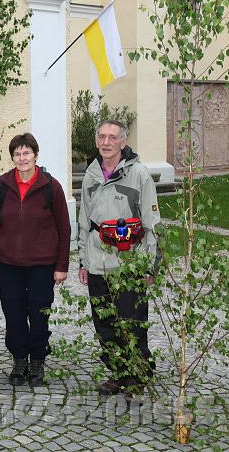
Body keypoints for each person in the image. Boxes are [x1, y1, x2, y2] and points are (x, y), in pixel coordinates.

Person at [77, 119, 160, 397]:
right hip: (98, 262)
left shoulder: (138, 174)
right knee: (105, 324)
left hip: (128, 262)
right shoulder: (91, 174)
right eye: (102, 136)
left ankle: (138, 374)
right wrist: (83, 260)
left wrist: (150, 265)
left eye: (113, 137)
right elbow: (84, 220)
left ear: (123, 142)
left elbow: (151, 223)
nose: (106, 142)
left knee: (132, 322)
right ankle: (119, 372)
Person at [0, 132, 71, 387]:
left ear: (35, 154)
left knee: (38, 314)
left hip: (42, 264)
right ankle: (19, 360)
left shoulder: (51, 186)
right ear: (12, 157)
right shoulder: (2, 185)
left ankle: (37, 361)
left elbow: (64, 227)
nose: (22, 158)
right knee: (13, 314)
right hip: (8, 263)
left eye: (27, 153)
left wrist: (61, 266)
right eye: (17, 154)